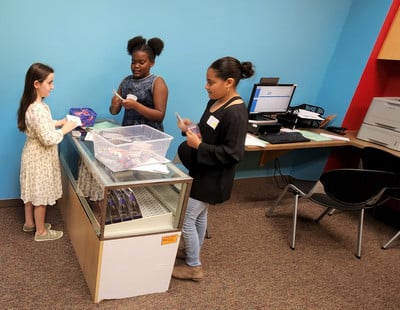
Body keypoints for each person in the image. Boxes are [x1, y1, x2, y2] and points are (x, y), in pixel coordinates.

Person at [172, 56, 255, 281]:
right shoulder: (215, 102)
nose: (206, 86)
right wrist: (189, 128)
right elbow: (209, 134)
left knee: (187, 218)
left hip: (214, 176)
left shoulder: (236, 113)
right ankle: (192, 251)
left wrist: (199, 146)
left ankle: (194, 266)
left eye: (211, 82)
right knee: (198, 216)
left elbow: (233, 153)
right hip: (201, 170)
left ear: (228, 82)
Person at [17, 63, 78, 241]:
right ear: (37, 84)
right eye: (49, 83)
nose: (53, 86)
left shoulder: (33, 104)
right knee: (40, 195)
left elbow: (40, 127)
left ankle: (29, 224)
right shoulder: (37, 109)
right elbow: (48, 139)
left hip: (31, 154)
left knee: (30, 191)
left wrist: (58, 122)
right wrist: (65, 129)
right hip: (40, 157)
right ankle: (41, 232)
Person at [109, 35, 168, 131]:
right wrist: (114, 105)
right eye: (133, 62)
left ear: (152, 63)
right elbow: (114, 112)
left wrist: (136, 106)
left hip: (150, 138)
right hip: (128, 134)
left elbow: (159, 115)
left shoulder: (157, 82)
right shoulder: (126, 81)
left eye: (141, 62)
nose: (136, 66)